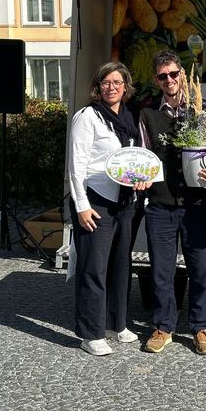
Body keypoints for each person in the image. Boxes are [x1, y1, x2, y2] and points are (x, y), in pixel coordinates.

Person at [139, 50, 206, 356]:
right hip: (161, 203)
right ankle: (164, 326)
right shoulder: (147, 113)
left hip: (196, 204)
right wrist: (139, 176)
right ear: (156, 80)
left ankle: (199, 327)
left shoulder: (203, 109)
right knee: (162, 270)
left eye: (174, 74)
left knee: (200, 267)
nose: (169, 80)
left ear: (182, 74)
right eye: (163, 76)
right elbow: (143, 155)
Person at [68, 62, 143, 356]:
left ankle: (117, 323)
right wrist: (82, 206)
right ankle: (91, 332)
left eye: (117, 82)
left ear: (125, 86)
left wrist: (140, 182)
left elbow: (133, 159)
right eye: (105, 82)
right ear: (97, 87)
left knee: (121, 267)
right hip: (95, 200)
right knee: (94, 268)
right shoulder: (87, 117)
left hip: (124, 202)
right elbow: (76, 166)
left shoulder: (127, 117)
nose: (111, 87)